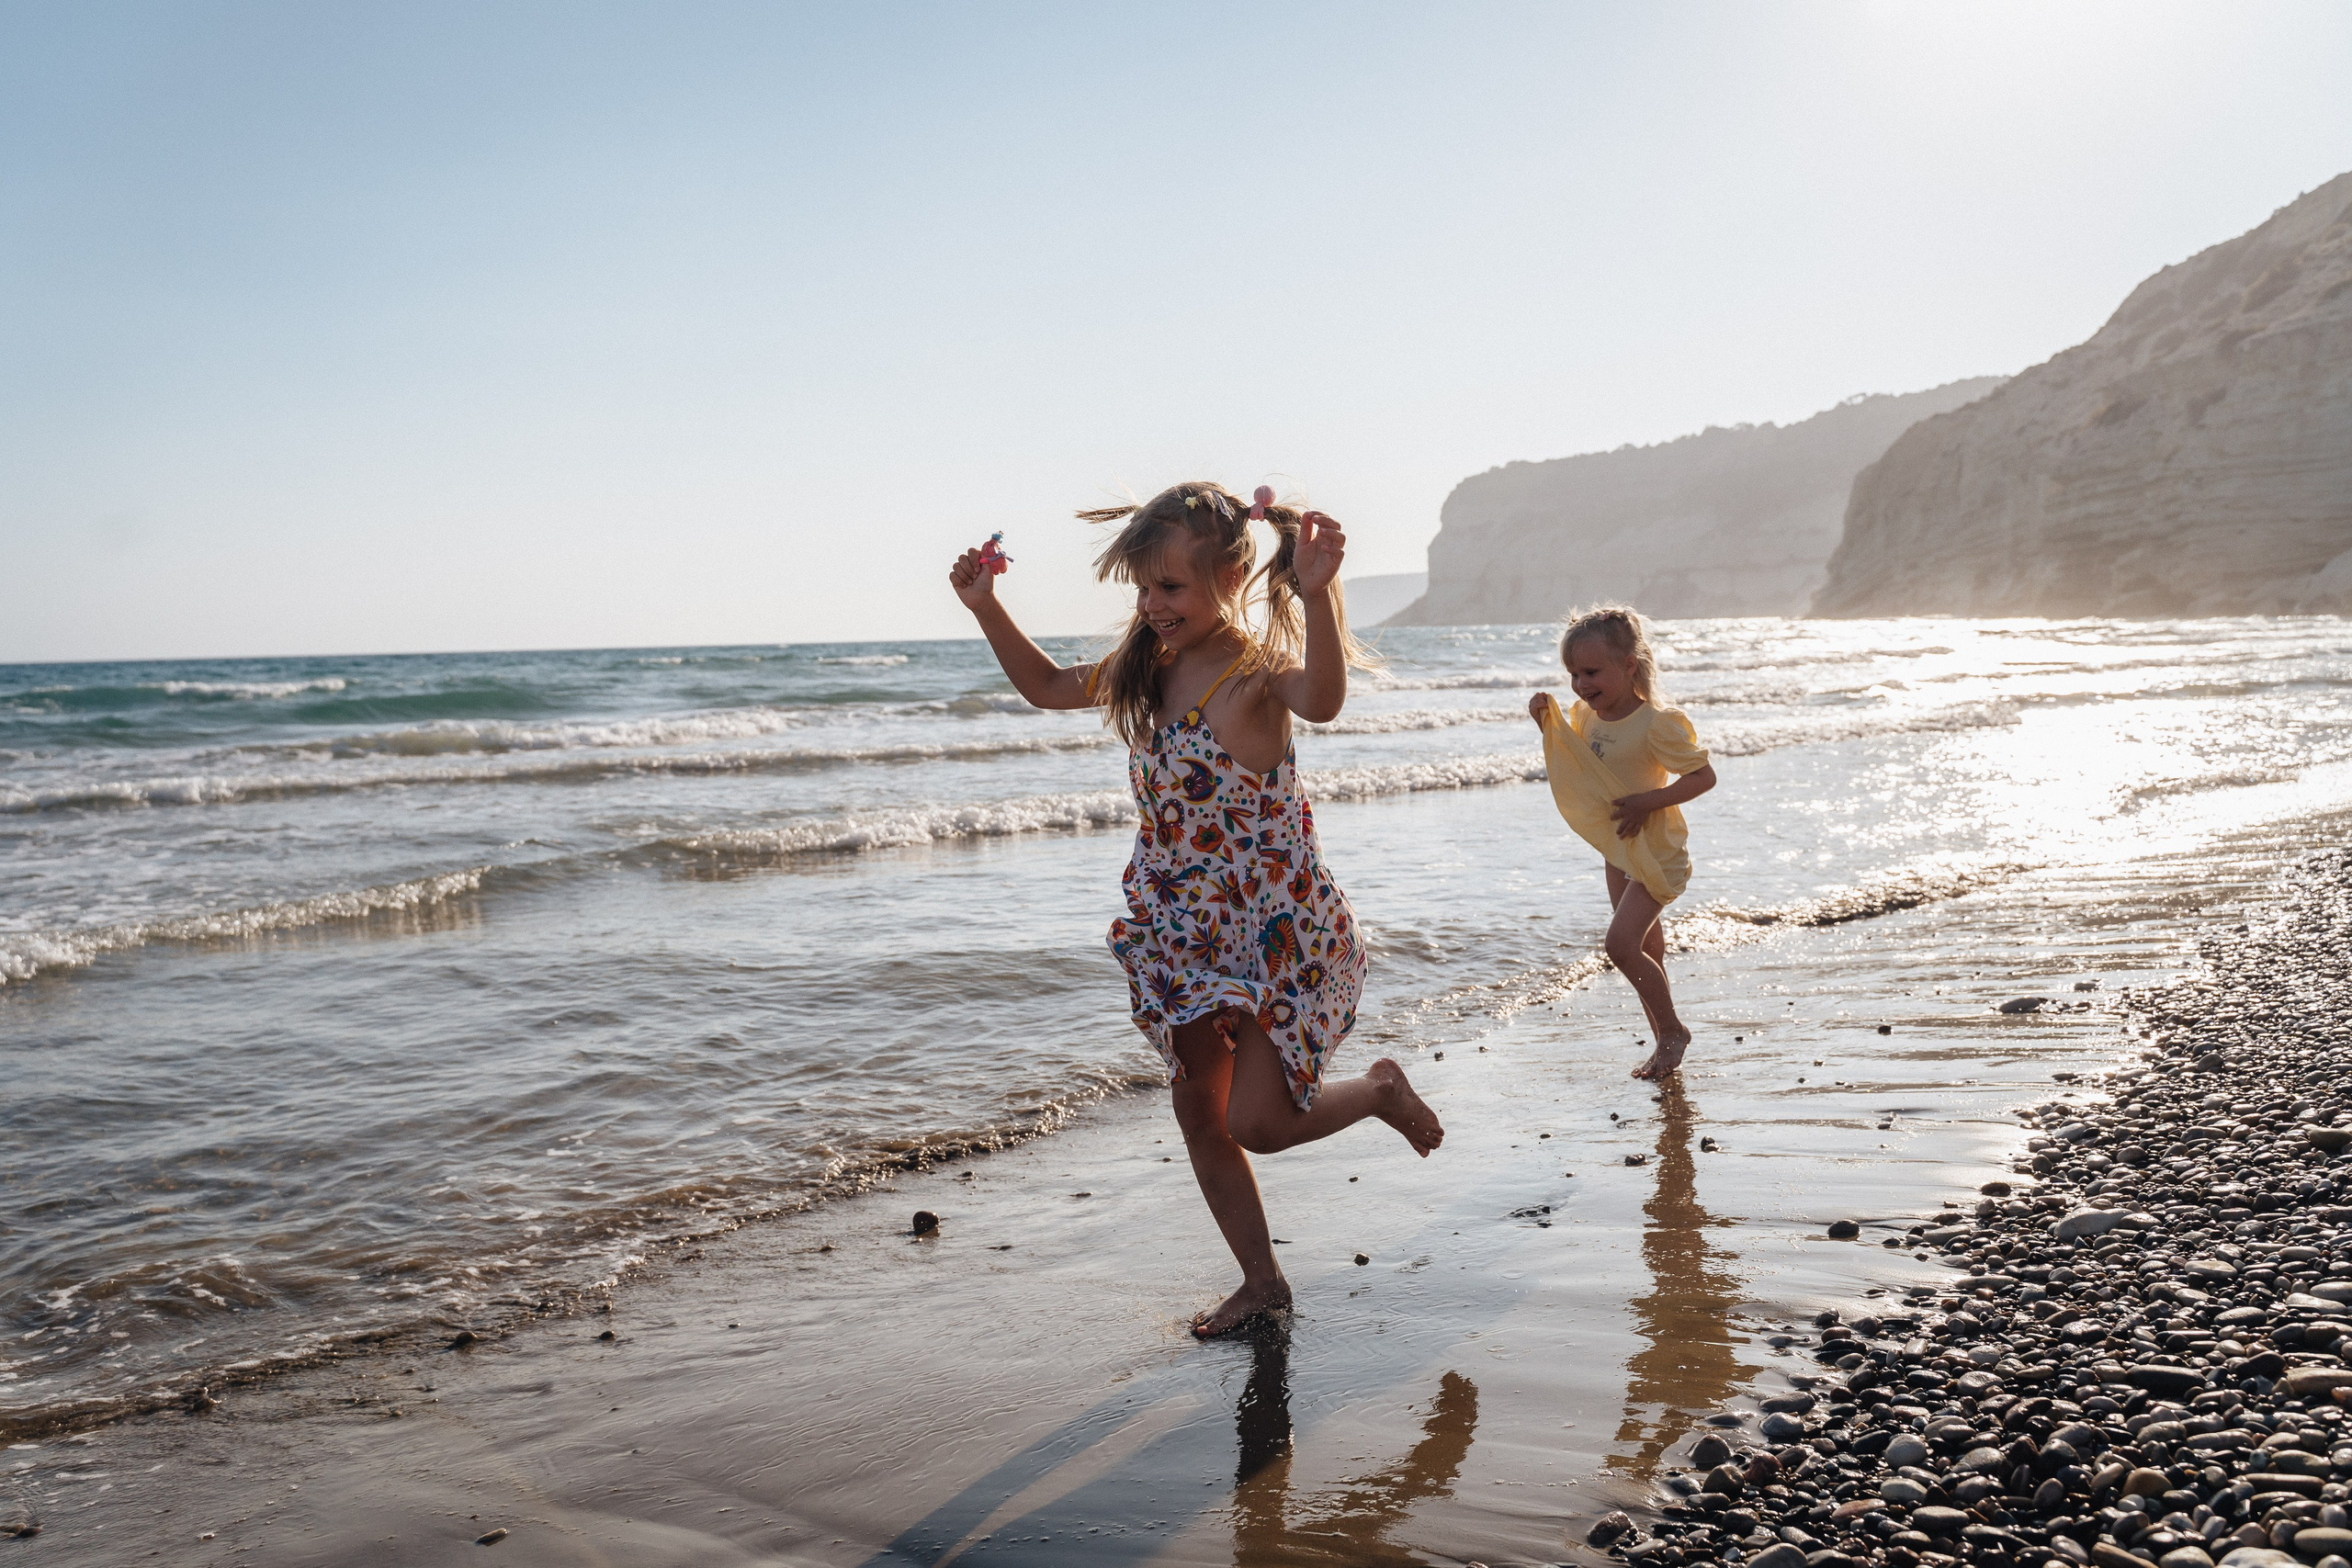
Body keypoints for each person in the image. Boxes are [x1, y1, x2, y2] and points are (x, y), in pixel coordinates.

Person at [948, 480, 1443, 1337]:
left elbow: (1324, 698)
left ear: (1229, 579)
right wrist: (986, 604)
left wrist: (1320, 595)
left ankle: (1376, 1092)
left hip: (1275, 928)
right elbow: (1042, 686)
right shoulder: (1144, 670)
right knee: (1197, 1111)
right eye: (1143, 588)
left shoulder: (1252, 678)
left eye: (1170, 587)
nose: (1152, 604)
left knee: (1258, 1122)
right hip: (1181, 927)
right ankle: (1262, 1282)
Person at [1527, 605, 1716, 1080]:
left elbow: (1703, 776)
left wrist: (1648, 802)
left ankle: (1673, 1031)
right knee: (1646, 949)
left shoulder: (1656, 722)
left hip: (1656, 853)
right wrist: (1545, 725)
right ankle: (1663, 1042)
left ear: (1629, 664)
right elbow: (1581, 765)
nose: (1581, 684)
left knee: (1620, 945)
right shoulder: (1589, 718)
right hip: (1619, 851)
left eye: (1591, 672)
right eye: (1573, 674)